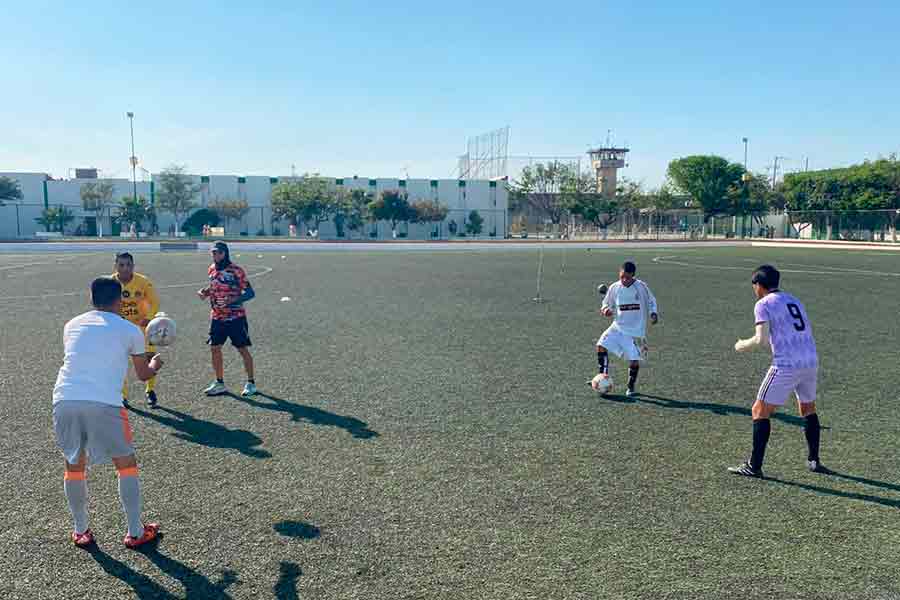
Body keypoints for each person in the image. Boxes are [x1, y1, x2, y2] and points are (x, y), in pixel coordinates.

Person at [52, 277, 163, 548]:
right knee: (126, 464)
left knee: (74, 465)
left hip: (65, 398)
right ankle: (135, 532)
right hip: (104, 402)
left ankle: (80, 531)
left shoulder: (72, 325)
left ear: (91, 298)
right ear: (120, 300)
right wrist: (156, 363)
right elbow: (142, 374)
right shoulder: (131, 330)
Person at [729, 265, 822, 478]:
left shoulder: (763, 304)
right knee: (808, 408)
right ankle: (814, 460)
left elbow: (760, 339)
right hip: (810, 359)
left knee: (759, 411)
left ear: (758, 285)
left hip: (787, 363)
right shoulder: (794, 300)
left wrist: (742, 345)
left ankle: (754, 466)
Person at [197, 241, 257, 397]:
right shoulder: (211, 269)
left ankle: (251, 383)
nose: (215, 256)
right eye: (213, 253)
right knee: (214, 348)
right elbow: (214, 287)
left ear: (225, 253)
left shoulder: (236, 271)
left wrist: (233, 300)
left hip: (236, 317)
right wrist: (205, 292)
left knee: (242, 349)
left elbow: (250, 293)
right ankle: (219, 382)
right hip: (217, 317)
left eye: (218, 253)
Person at [597, 261, 659, 397]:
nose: (624, 280)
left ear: (634, 276)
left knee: (634, 359)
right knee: (601, 345)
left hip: (635, 330)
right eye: (622, 276)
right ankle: (602, 377)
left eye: (628, 277)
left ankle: (630, 387)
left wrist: (653, 313)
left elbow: (651, 300)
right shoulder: (614, 287)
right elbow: (606, 303)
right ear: (619, 273)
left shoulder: (641, 287)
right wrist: (606, 310)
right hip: (618, 326)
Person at [112, 252, 161, 408]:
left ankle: (150, 390)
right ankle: (123, 396)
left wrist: (149, 317)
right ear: (116, 266)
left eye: (128, 265)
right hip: (120, 328)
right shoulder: (110, 282)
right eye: (121, 265)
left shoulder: (143, 282)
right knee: (121, 362)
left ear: (133, 266)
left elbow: (154, 302)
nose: (125, 268)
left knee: (148, 358)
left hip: (143, 327)